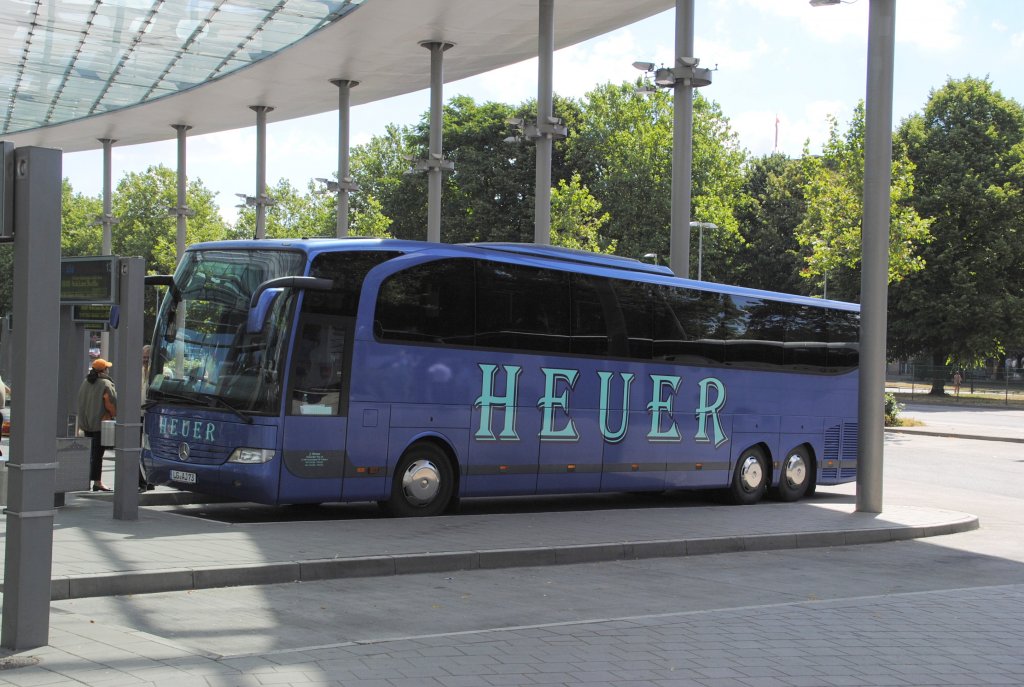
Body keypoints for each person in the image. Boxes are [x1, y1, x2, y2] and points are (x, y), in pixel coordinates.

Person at [77, 358, 117, 492]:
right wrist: (114, 414)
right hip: (101, 425)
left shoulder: (85, 383)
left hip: (87, 424)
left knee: (90, 454)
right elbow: (111, 404)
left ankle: (85, 481)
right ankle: (98, 482)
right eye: (107, 368)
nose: (108, 370)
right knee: (98, 454)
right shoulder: (105, 384)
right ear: (103, 370)